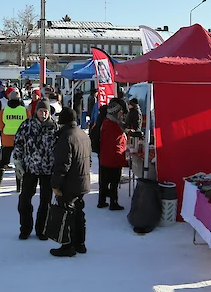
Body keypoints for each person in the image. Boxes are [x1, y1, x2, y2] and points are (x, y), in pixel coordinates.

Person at [13, 99, 59, 240]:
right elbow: (18, 144)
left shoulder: (54, 127)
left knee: (46, 201)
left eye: (46, 111)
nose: (43, 114)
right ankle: (25, 229)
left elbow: (61, 148)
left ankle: (42, 229)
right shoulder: (26, 125)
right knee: (25, 199)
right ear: (36, 111)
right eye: (41, 111)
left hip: (48, 170)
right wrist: (18, 162)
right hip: (30, 168)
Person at [50, 108, 92, 257]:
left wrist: (55, 185)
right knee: (79, 212)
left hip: (70, 183)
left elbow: (62, 164)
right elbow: (90, 160)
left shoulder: (65, 137)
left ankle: (67, 245)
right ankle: (80, 243)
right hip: (83, 181)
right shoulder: (83, 134)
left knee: (66, 213)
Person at [0, 88, 29, 190]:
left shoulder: (4, 111)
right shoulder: (24, 111)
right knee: (19, 162)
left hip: (7, 140)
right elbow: (29, 124)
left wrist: (4, 130)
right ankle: (19, 186)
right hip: (21, 141)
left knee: (3, 162)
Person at [99, 99, 126, 210]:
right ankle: (113, 203)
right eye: (120, 112)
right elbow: (116, 143)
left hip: (105, 157)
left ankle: (101, 201)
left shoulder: (106, 121)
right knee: (114, 182)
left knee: (104, 181)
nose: (121, 114)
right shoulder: (114, 125)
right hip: (114, 158)